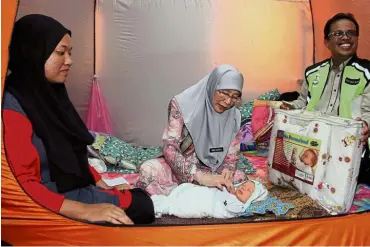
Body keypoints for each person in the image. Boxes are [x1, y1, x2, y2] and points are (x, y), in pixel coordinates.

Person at [2, 14, 154, 225]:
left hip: (70, 187)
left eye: (70, 53)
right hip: (47, 199)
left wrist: (102, 184)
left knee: (140, 200)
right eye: (60, 53)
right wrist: (84, 211)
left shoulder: (50, 95)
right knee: (141, 207)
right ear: (33, 52)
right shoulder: (12, 106)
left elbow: (72, 150)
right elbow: (20, 186)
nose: (69, 61)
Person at [280, 13, 369, 182]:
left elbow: (369, 111)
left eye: (351, 33)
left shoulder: (367, 72)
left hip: (348, 147)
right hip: (312, 145)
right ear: (326, 42)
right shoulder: (312, 72)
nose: (346, 37)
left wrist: (365, 125)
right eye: (338, 33)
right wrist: (289, 107)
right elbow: (302, 101)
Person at [137, 65, 244, 195]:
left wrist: (228, 170)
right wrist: (200, 177)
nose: (228, 101)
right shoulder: (183, 105)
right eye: (224, 93)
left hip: (214, 169)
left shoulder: (233, 115)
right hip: (182, 168)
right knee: (148, 170)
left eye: (234, 96)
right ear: (212, 86)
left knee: (241, 179)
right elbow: (170, 148)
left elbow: (232, 155)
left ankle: (191, 194)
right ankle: (194, 194)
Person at [151, 180, 268, 219]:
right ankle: (164, 200)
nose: (244, 187)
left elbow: (257, 209)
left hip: (204, 204)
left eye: (249, 190)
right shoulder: (231, 190)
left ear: (252, 200)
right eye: (244, 185)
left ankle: (162, 205)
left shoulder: (240, 208)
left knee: (181, 205)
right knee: (190, 192)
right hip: (205, 193)